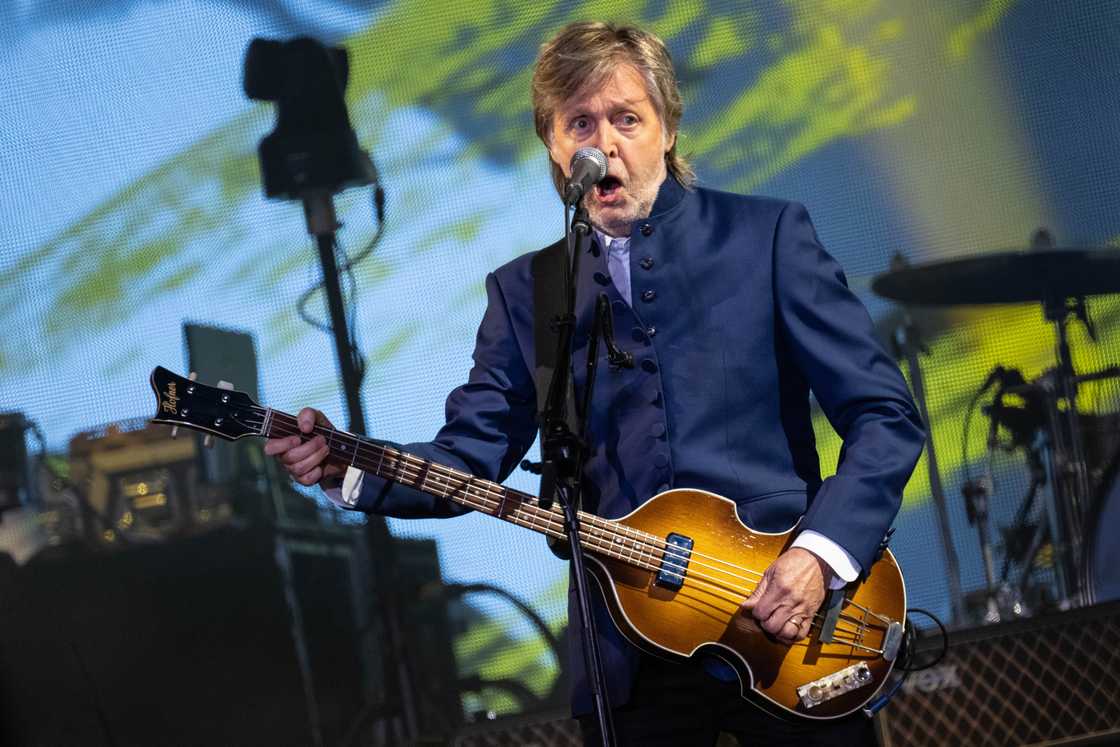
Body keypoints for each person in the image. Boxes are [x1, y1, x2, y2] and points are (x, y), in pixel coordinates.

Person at [265, 21, 925, 746]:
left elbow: (884, 414)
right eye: (579, 122)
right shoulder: (526, 291)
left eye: (627, 119)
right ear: (552, 144)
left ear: (668, 128)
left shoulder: (765, 237)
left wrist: (818, 555)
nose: (602, 143)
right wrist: (348, 466)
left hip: (788, 624)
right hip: (627, 661)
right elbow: (471, 454)